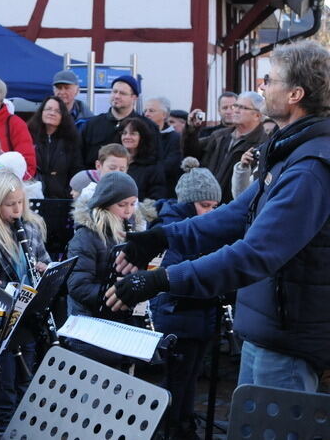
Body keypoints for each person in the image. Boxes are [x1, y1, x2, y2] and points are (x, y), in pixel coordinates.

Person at [106, 40, 330, 392]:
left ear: (295, 94)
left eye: (270, 80)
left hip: (288, 341)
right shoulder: (290, 152)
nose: (263, 86)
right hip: (266, 329)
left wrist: (162, 280)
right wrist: (161, 237)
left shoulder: (309, 169)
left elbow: (253, 253)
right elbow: (236, 213)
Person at [149, 158, 221, 440]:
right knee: (177, 380)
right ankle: (169, 427)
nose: (210, 213)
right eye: (205, 206)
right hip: (178, 316)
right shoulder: (172, 228)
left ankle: (184, 423)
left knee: (191, 378)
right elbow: (172, 272)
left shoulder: (203, 227)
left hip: (199, 317)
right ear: (189, 202)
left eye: (214, 207)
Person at [0, 169, 50, 434]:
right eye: (10, 204)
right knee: (4, 386)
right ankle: (3, 429)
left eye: (20, 202)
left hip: (28, 315)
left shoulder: (30, 227)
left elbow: (46, 260)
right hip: (4, 321)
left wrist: (44, 268)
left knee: (25, 381)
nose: (17, 209)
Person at [66, 171, 155, 368]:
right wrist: (118, 295)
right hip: (90, 328)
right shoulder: (87, 236)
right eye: (122, 205)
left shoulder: (131, 231)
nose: (128, 211)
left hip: (119, 325)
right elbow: (78, 285)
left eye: (132, 204)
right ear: (105, 204)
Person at [182, 91, 268, 203]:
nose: (235, 110)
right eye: (235, 106)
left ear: (257, 115)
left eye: (242, 108)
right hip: (207, 204)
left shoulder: (263, 144)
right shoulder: (219, 136)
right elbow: (192, 155)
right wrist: (191, 130)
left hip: (233, 208)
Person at [79, 75, 159, 168]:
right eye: (114, 92)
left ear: (134, 97)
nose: (116, 96)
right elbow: (79, 159)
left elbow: (156, 161)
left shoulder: (148, 127)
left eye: (122, 93)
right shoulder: (92, 125)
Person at [27, 95, 83, 198]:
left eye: (57, 111)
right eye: (48, 109)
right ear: (41, 112)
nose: (52, 113)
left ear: (63, 116)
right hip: (34, 196)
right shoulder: (28, 136)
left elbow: (76, 169)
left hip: (61, 199)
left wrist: (67, 193)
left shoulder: (71, 140)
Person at [118, 117, 167, 200]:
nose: (127, 137)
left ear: (142, 137)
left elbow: (156, 197)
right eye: (124, 133)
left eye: (132, 134)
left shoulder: (152, 166)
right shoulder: (115, 161)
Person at [144, 96, 182, 196]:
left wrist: (144, 172)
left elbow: (169, 166)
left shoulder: (175, 138)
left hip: (165, 191)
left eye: (151, 111)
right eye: (145, 111)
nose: (147, 114)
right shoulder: (141, 136)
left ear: (164, 115)